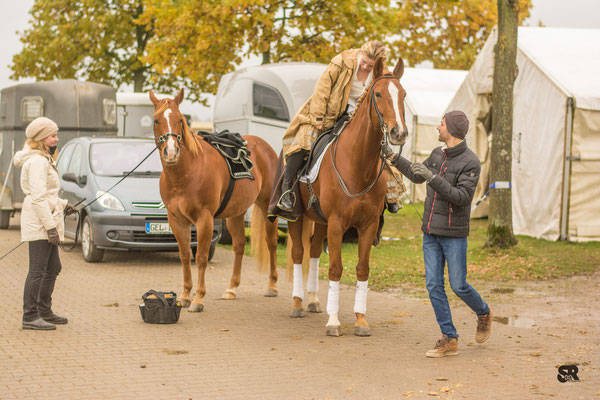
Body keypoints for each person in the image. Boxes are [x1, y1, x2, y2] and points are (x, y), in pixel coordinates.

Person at [390, 110, 492, 357]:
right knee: (434, 285)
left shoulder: (471, 162)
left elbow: (462, 198)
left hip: (454, 234)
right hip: (430, 233)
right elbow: (416, 174)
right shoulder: (438, 154)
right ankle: (450, 338)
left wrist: (433, 178)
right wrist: (393, 158)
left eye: (442, 124)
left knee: (458, 285)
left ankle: (484, 312)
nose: (437, 127)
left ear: (452, 130)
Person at [277, 40, 403, 212]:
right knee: (303, 141)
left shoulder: (382, 71)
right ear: (360, 54)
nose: (366, 67)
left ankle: (391, 194)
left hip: (359, 115)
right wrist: (318, 116)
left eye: (370, 66)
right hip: (330, 111)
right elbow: (323, 88)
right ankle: (287, 189)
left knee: (380, 150)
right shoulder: (341, 61)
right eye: (364, 62)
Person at [14, 117, 73, 330]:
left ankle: (44, 310)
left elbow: (46, 194)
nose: (57, 138)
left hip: (45, 217)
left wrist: (64, 204)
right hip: (39, 222)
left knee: (53, 267)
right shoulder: (37, 162)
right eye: (53, 135)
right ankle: (30, 316)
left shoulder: (42, 157)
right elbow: (38, 198)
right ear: (41, 138)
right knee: (37, 270)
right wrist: (50, 228)